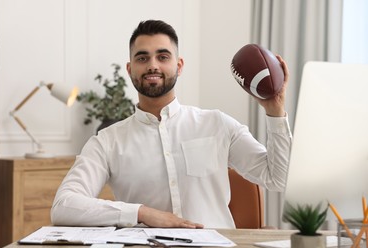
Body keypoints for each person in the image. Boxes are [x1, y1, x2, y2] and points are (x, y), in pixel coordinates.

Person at [51, 20, 292, 229]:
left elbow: (278, 178)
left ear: (179, 66)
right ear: (130, 69)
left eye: (163, 56)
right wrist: (141, 213)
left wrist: (275, 110)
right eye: (142, 58)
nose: (152, 65)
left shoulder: (218, 124)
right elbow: (63, 206)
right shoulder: (107, 141)